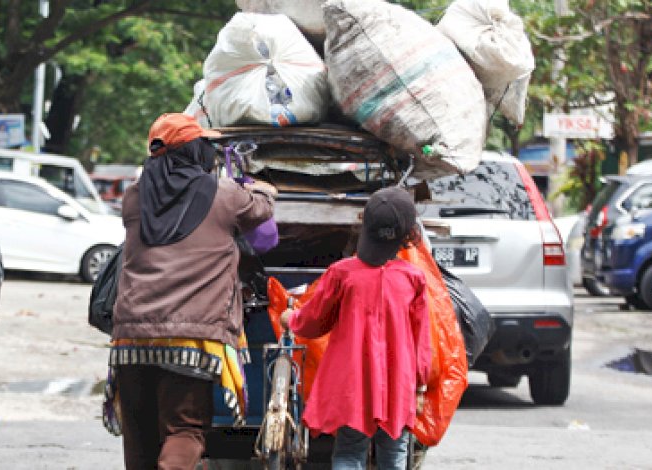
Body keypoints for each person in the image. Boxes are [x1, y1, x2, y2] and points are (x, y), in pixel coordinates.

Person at [106, 113, 277, 469]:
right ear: (194, 152)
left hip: (131, 336)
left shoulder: (134, 197)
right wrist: (261, 188)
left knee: (140, 437)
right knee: (185, 430)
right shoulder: (223, 194)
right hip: (191, 337)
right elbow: (260, 210)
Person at [280, 187, 432, 470]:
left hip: (353, 384)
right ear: (409, 234)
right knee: (394, 455)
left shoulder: (342, 273)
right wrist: (420, 385)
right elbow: (422, 342)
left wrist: (291, 318)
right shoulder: (414, 279)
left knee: (349, 452)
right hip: (398, 385)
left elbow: (314, 321)